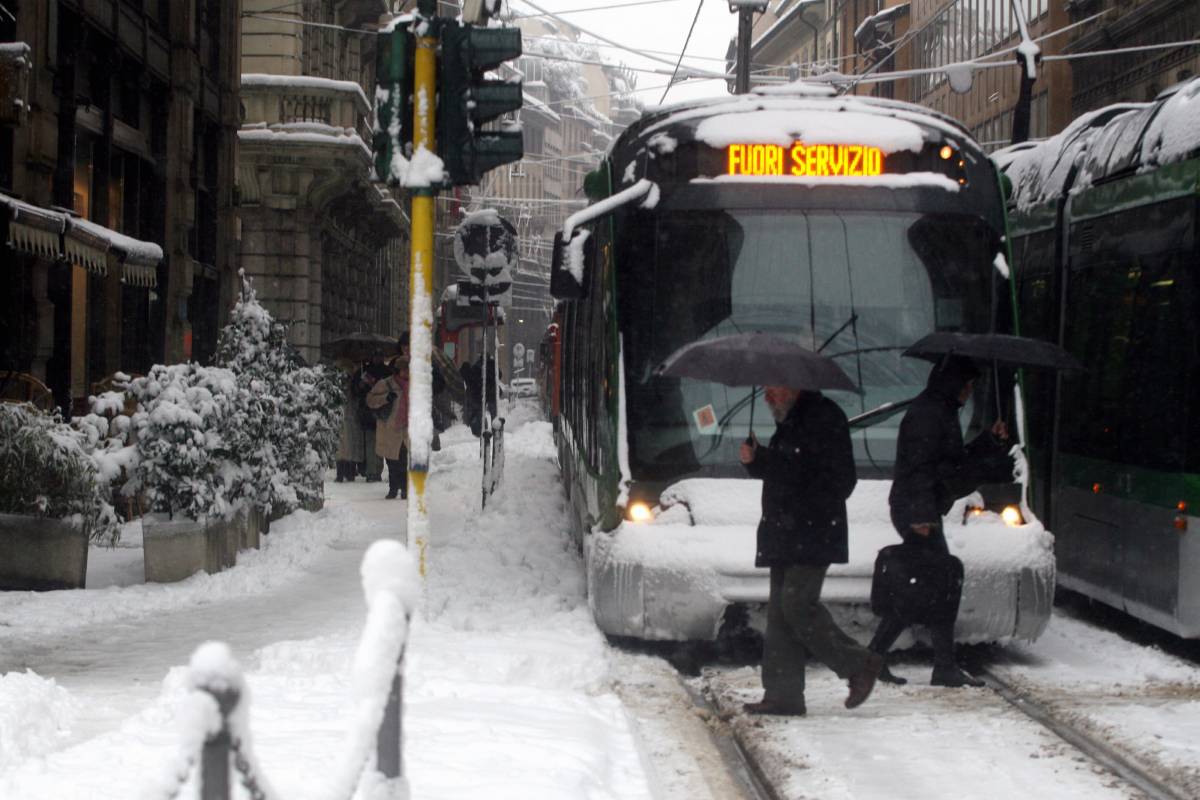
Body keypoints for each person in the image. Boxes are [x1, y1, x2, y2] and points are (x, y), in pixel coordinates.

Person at [867, 356, 1013, 688]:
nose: (969, 391)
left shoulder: (939, 411)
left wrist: (989, 441)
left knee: (928, 588)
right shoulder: (928, 415)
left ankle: (878, 658)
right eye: (968, 385)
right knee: (940, 588)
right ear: (954, 383)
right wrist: (921, 515)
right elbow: (919, 468)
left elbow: (952, 464)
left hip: (923, 507)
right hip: (917, 510)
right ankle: (939, 666)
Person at [740, 384, 882, 715]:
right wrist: (756, 461)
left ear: (794, 385)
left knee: (796, 604)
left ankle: (859, 664)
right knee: (780, 612)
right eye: (765, 390)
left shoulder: (823, 417)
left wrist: (767, 459)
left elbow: (832, 478)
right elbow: (786, 472)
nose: (767, 396)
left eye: (773, 388)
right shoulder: (792, 420)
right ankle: (783, 695)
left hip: (812, 532)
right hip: (785, 531)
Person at [367, 335, 410, 500]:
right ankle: (393, 488)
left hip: (407, 429)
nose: (407, 373)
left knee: (404, 461)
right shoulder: (386, 384)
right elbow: (370, 400)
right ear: (398, 370)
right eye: (404, 369)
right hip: (390, 429)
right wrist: (386, 398)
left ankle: (405, 489)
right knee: (392, 462)